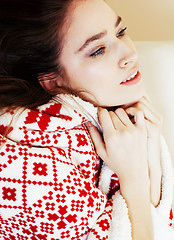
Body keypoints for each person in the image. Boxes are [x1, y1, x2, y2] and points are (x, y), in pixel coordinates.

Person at [0, 0, 174, 239]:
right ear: (52, 80)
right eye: (98, 50)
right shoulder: (25, 170)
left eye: (120, 32)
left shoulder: (111, 112)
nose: (130, 54)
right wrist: (134, 182)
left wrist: (149, 143)